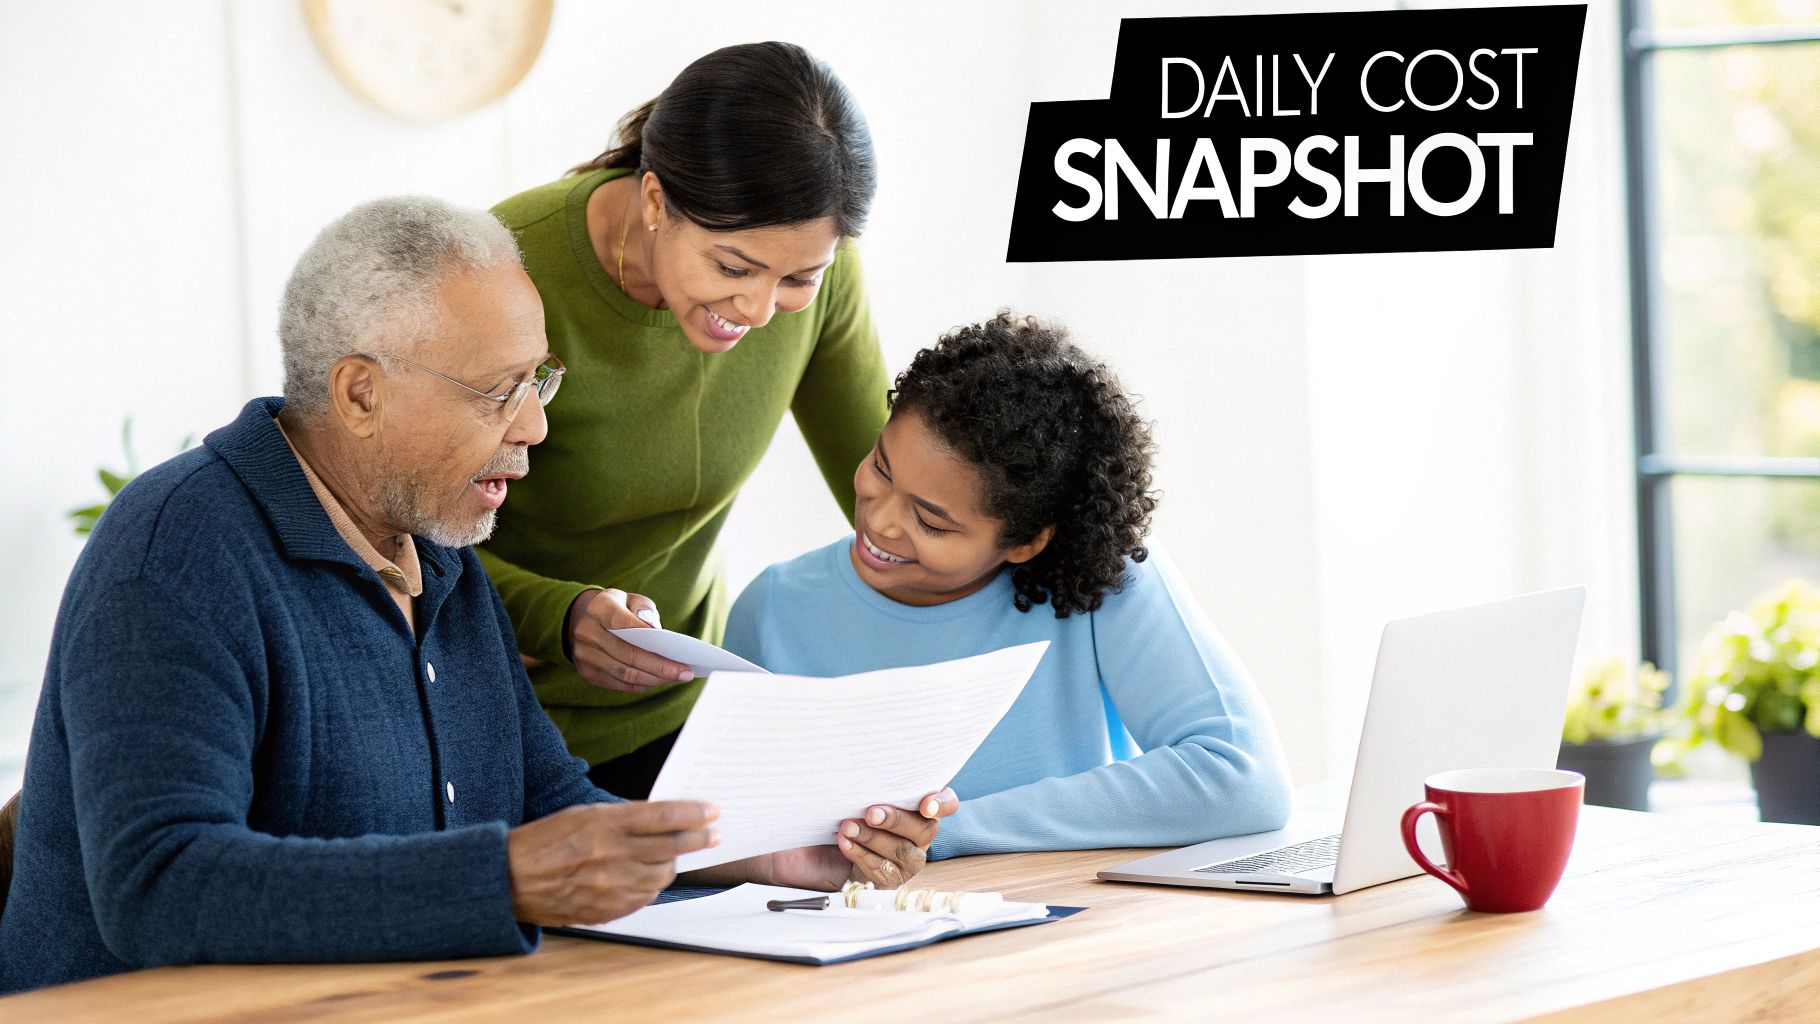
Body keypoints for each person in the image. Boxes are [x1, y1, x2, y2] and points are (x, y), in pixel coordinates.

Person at [0, 197, 953, 994]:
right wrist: (501, 876)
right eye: (501, 390)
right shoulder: (176, 551)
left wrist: (765, 856)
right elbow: (160, 886)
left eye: (540, 377)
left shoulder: (438, 551)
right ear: (360, 393)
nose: (536, 425)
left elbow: (547, 804)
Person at [478, 41, 889, 797]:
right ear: (656, 200)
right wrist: (559, 618)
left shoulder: (816, 276)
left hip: (689, 717)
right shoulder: (505, 271)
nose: (760, 309)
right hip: (491, 727)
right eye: (732, 268)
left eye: (798, 277)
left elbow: (894, 497)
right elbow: (394, 545)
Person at [723, 312, 1293, 858]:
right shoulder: (772, 610)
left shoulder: (1096, 583)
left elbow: (1245, 778)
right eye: (881, 468)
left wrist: (945, 832)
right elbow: (734, 827)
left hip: (1067, 929)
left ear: (1025, 543)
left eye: (931, 521)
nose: (880, 520)